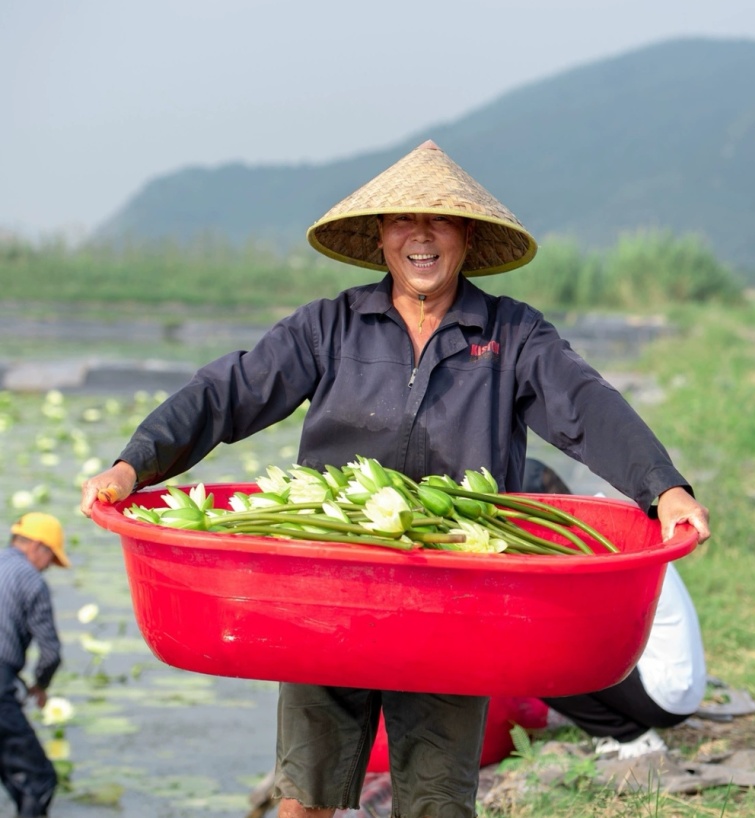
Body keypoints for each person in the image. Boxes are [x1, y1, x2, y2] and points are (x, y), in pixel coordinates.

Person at [81, 139, 710, 818]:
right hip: (326, 592)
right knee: (305, 794)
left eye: (439, 220)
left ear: (467, 235)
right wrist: (133, 462)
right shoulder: (330, 327)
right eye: (403, 221)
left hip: (453, 601)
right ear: (380, 236)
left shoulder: (511, 335)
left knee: (437, 803)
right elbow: (228, 392)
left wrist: (663, 486)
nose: (420, 236)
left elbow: (587, 406)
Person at [521, 459, 707, 760]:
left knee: (528, 659)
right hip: (676, 679)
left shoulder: (599, 545)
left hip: (664, 693)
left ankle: (627, 736)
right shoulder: (605, 519)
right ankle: (623, 722)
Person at [1, 512, 70, 818]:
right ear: (37, 547)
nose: (47, 568)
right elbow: (51, 653)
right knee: (39, 779)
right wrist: (40, 686)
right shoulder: (31, 580)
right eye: (50, 559)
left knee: (14, 774)